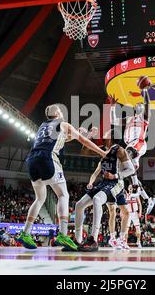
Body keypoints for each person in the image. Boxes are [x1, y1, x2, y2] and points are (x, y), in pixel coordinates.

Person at [17, 104, 106, 250]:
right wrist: (102, 153)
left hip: (32, 160)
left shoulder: (43, 126)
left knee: (40, 198)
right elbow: (83, 142)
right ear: (57, 113)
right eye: (60, 110)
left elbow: (62, 139)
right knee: (63, 195)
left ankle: (25, 233)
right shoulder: (63, 123)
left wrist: (81, 133)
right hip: (48, 158)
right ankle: (63, 234)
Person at [74, 144, 135, 252]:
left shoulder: (119, 151)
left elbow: (131, 170)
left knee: (105, 204)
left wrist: (115, 176)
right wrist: (90, 183)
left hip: (117, 184)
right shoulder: (101, 160)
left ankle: (94, 239)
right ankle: (78, 240)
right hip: (104, 184)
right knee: (78, 205)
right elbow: (93, 171)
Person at [109, 79, 155, 215]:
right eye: (137, 105)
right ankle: (148, 198)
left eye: (140, 104)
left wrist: (145, 91)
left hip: (139, 143)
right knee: (130, 172)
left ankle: (117, 179)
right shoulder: (130, 119)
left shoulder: (144, 117)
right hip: (130, 145)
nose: (138, 105)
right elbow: (113, 121)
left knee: (123, 156)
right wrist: (113, 107)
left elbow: (147, 103)